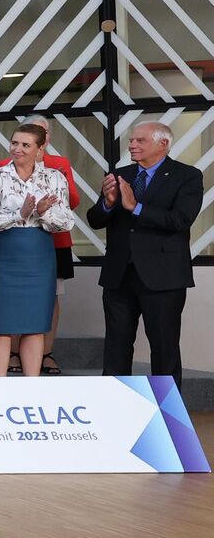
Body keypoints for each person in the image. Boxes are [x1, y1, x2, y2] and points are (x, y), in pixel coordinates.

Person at [87, 120, 202, 385]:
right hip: (119, 274)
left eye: (140, 141)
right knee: (115, 346)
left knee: (164, 348)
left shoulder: (188, 176)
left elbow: (180, 220)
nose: (132, 145)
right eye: (131, 140)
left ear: (163, 144)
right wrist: (107, 203)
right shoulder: (121, 174)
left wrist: (135, 207)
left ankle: (165, 416)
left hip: (163, 278)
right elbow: (95, 219)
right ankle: (114, 411)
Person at [0, 124, 77, 377]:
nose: (17, 149)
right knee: (0, 324)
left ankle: (31, 386)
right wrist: (19, 214)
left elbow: (66, 222)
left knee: (35, 324)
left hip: (38, 255)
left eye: (25, 145)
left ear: (40, 148)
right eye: (14, 143)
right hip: (2, 254)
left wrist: (43, 212)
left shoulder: (55, 178)